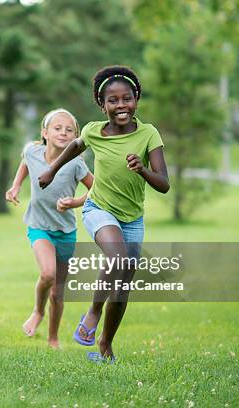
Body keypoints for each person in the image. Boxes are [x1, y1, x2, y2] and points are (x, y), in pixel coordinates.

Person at [38, 66, 170, 363]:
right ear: (102, 105)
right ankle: (93, 313)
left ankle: (105, 345)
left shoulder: (149, 134)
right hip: (99, 209)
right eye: (113, 101)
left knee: (122, 286)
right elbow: (74, 146)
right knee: (118, 258)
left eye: (127, 99)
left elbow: (164, 184)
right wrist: (51, 169)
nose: (121, 106)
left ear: (136, 99)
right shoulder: (93, 131)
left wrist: (143, 169)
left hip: (132, 218)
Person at [5, 108, 93, 349]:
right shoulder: (32, 151)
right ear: (45, 133)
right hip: (38, 226)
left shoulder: (75, 163)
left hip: (65, 232)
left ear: (76, 138)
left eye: (69, 130)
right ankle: (37, 312)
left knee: (58, 293)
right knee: (47, 274)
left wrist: (74, 202)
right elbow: (25, 163)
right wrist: (15, 187)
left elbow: (96, 189)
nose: (63, 133)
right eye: (57, 128)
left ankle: (53, 338)